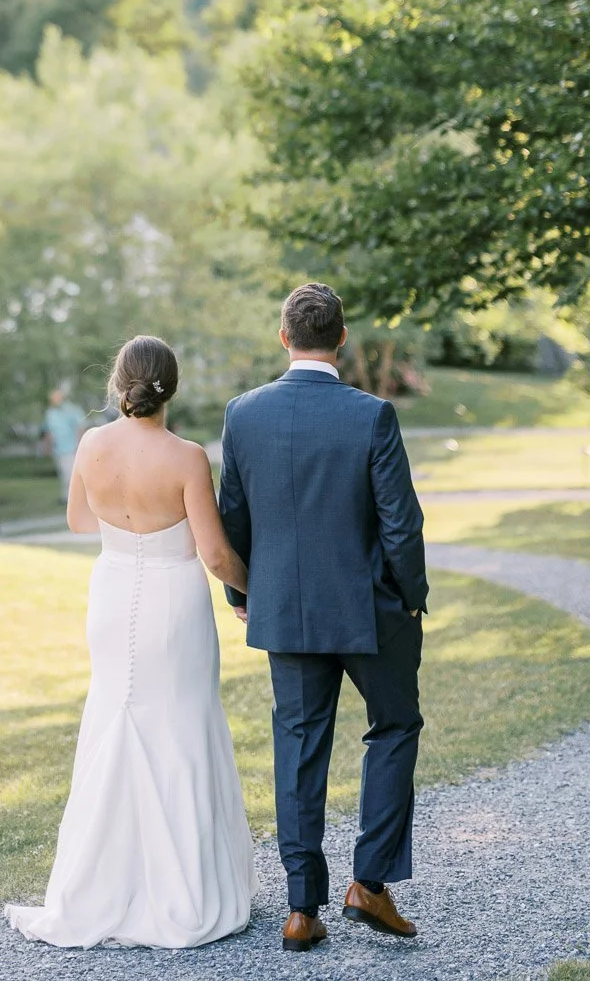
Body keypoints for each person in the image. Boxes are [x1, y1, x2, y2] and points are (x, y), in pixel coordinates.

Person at [5, 336, 253, 948]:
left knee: (114, 718)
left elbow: (77, 519)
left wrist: (128, 534)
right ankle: (185, 889)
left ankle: (99, 887)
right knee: (181, 726)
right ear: (172, 386)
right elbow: (216, 554)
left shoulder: (91, 445)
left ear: (119, 383)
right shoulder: (188, 457)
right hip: (174, 600)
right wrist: (252, 591)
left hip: (113, 593)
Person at [218, 283, 428, 952]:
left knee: (299, 747)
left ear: (285, 337)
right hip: (369, 611)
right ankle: (369, 882)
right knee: (394, 725)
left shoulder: (242, 415)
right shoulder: (372, 416)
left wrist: (243, 595)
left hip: (286, 612)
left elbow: (234, 519)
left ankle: (302, 908)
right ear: (341, 339)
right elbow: (401, 525)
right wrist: (413, 592)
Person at [44, 388, 84, 500]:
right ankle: (66, 497)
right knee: (63, 473)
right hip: (58, 449)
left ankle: (74, 498)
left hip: (71, 448)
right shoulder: (51, 413)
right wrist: (48, 447)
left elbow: (79, 428)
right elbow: (48, 431)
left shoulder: (71, 410)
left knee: (70, 474)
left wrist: (79, 446)